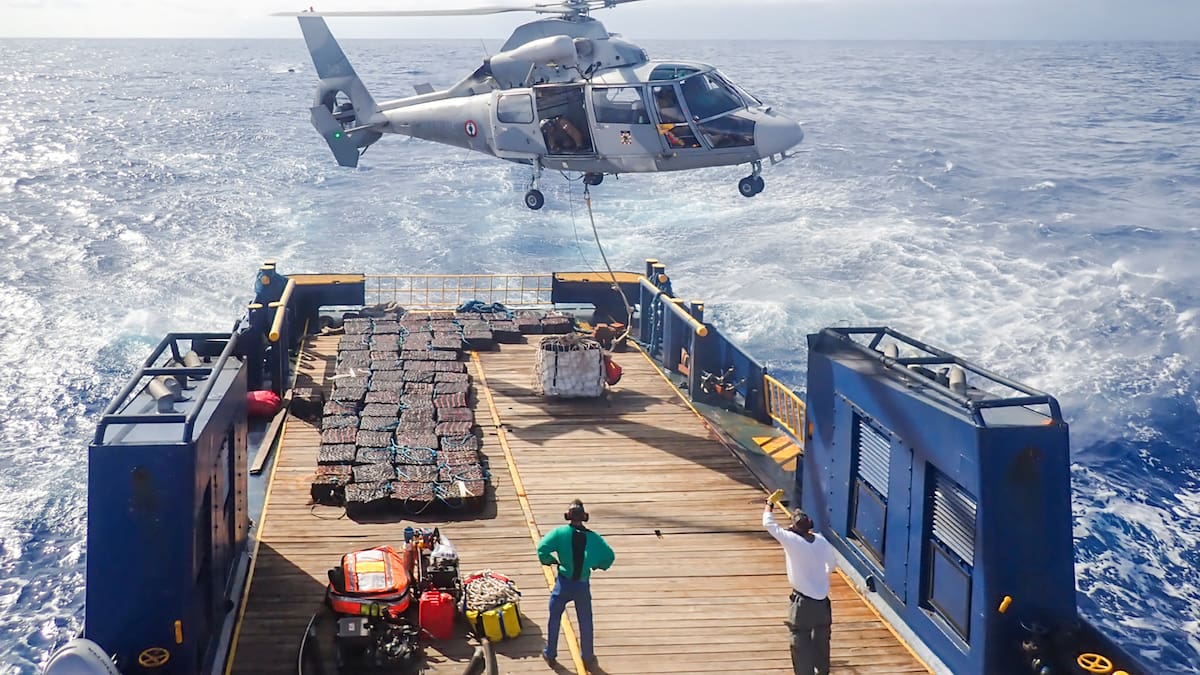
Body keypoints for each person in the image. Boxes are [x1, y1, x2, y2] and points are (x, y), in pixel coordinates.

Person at [537, 499, 615, 667]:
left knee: (555, 617)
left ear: (568, 516)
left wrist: (551, 561)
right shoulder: (594, 538)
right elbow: (609, 556)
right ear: (585, 517)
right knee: (585, 620)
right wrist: (596, 565)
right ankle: (587, 656)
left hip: (563, 584)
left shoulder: (559, 533)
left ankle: (551, 652)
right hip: (582, 585)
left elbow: (541, 548)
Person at [764, 498, 838, 675]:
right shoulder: (821, 540)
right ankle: (822, 671)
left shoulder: (791, 540)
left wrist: (770, 503)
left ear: (794, 527)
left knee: (800, 641)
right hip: (823, 604)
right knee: (822, 641)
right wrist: (820, 576)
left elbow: (768, 523)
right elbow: (832, 565)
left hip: (803, 604)